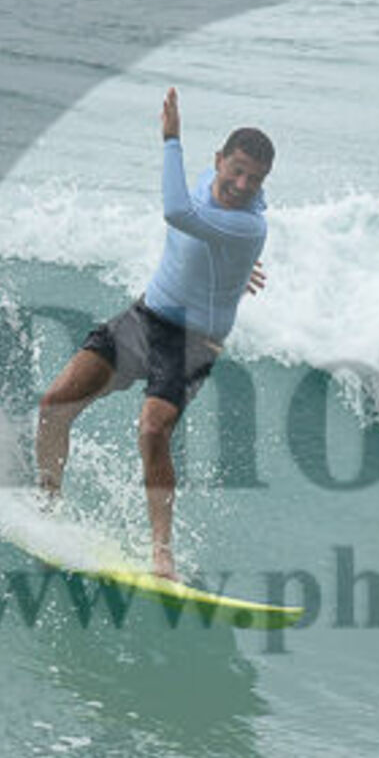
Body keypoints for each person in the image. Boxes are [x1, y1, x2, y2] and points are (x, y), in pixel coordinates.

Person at [35, 87, 274, 580]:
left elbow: (177, 213)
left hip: (193, 343)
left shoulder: (250, 227)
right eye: (237, 171)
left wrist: (170, 139)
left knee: (152, 429)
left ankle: (162, 553)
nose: (243, 184)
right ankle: (47, 504)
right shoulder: (209, 184)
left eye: (255, 179)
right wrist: (233, 267)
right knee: (55, 405)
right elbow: (197, 223)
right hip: (145, 319)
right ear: (218, 160)